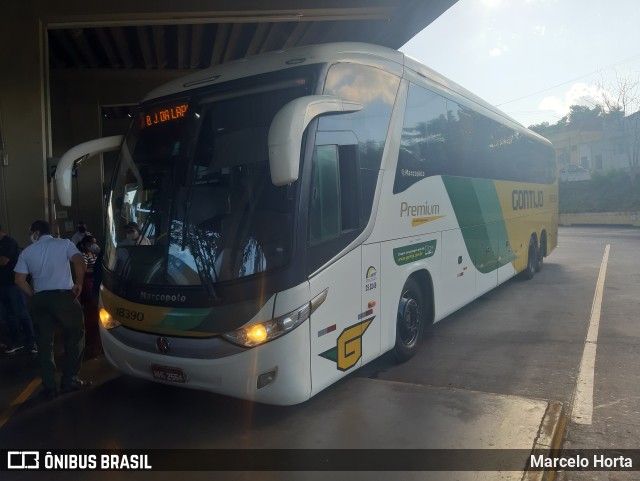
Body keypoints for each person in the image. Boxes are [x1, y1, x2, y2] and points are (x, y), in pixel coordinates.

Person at [14, 220, 91, 399]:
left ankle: (49, 386)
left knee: (44, 342)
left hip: (40, 299)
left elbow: (19, 280)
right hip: (64, 297)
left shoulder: (27, 251)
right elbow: (79, 261)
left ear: (37, 233)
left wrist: (33, 294)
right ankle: (70, 379)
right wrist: (78, 283)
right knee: (75, 336)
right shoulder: (64, 244)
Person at [0, 224, 37, 355]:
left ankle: (32, 341)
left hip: (12, 284)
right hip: (2, 285)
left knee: (20, 311)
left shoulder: (8, 242)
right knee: (8, 314)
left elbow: (4, 260)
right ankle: (16, 342)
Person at [77, 235, 101, 358]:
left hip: (95, 283)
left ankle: (95, 342)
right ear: (86, 245)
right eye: (92, 243)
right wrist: (97, 270)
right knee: (90, 313)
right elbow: (83, 270)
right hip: (88, 284)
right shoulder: (84, 255)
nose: (95, 246)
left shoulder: (95, 254)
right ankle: (91, 343)